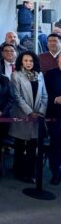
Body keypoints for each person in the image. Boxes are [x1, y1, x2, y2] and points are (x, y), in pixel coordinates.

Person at [9, 51, 47, 183]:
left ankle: (30, 173)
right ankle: (19, 172)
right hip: (22, 115)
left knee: (32, 146)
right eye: (25, 60)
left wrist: (40, 112)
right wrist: (30, 112)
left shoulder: (40, 75)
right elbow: (17, 97)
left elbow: (44, 95)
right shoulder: (16, 75)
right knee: (20, 145)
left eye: (31, 61)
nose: (28, 63)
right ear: (21, 61)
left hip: (37, 117)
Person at [45, 53, 61, 185]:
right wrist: (55, 99)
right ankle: (55, 173)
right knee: (55, 146)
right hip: (55, 116)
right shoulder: (50, 74)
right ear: (58, 60)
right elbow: (44, 94)